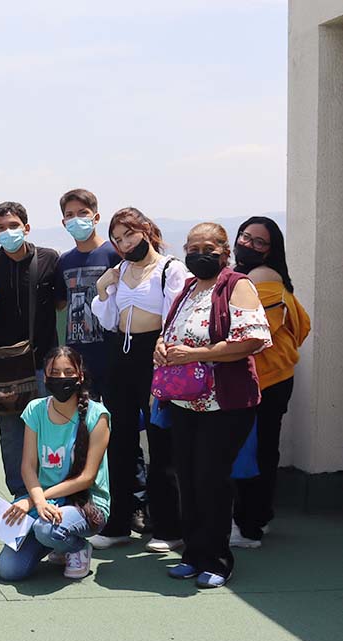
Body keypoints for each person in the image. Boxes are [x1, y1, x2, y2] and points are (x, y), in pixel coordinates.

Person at [156, 223, 270, 589]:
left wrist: (197, 354)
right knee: (187, 479)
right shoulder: (188, 288)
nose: (198, 253)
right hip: (185, 401)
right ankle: (193, 554)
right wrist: (162, 344)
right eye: (192, 247)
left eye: (207, 246)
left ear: (224, 252)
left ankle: (218, 560)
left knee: (211, 480)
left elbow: (251, 340)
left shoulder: (237, 285)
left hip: (225, 403)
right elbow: (171, 329)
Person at [88, 207, 189, 552]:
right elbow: (107, 318)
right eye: (117, 239)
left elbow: (178, 315)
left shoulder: (170, 269)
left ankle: (167, 527)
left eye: (129, 234)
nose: (124, 243)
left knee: (161, 443)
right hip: (121, 354)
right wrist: (103, 289)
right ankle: (119, 522)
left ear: (146, 229)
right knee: (119, 442)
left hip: (155, 356)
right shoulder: (119, 270)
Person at [0, 347, 111, 582]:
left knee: (46, 528)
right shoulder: (35, 409)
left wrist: (32, 501)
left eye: (68, 371)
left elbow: (86, 478)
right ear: (45, 377)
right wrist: (39, 501)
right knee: (9, 569)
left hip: (86, 502)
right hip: (45, 501)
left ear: (80, 376)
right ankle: (58, 545)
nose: (61, 378)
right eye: (54, 372)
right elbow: (28, 466)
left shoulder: (97, 415)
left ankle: (77, 547)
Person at [230, 216, 311, 549]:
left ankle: (249, 526)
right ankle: (256, 518)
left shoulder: (262, 277)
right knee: (261, 448)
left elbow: (248, 332)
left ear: (271, 251)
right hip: (269, 378)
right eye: (245, 237)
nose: (248, 244)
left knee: (256, 451)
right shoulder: (257, 277)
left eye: (258, 242)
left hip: (267, 381)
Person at [0, 201, 61, 497]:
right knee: (11, 435)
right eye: (1, 228)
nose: (8, 232)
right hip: (4, 367)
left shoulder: (50, 259)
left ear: (26, 228)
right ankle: (19, 494)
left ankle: (52, 492)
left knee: (51, 430)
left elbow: (61, 302)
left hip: (45, 362)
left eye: (14, 226)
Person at [53, 189, 121, 399]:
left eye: (82, 213)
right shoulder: (64, 260)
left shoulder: (113, 253)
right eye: (70, 215)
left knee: (117, 421)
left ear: (96, 217)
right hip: (78, 357)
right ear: (64, 222)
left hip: (112, 353)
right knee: (84, 421)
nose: (76, 219)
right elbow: (61, 302)